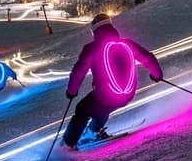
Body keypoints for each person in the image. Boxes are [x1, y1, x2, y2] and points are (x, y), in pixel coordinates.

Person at [63, 14, 162, 150]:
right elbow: (148, 59)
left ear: (94, 31)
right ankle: (93, 131)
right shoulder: (127, 44)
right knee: (99, 107)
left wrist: (71, 92)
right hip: (127, 95)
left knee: (82, 109)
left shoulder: (92, 48)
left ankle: (68, 144)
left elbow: (78, 72)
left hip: (105, 96)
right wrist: (157, 75)